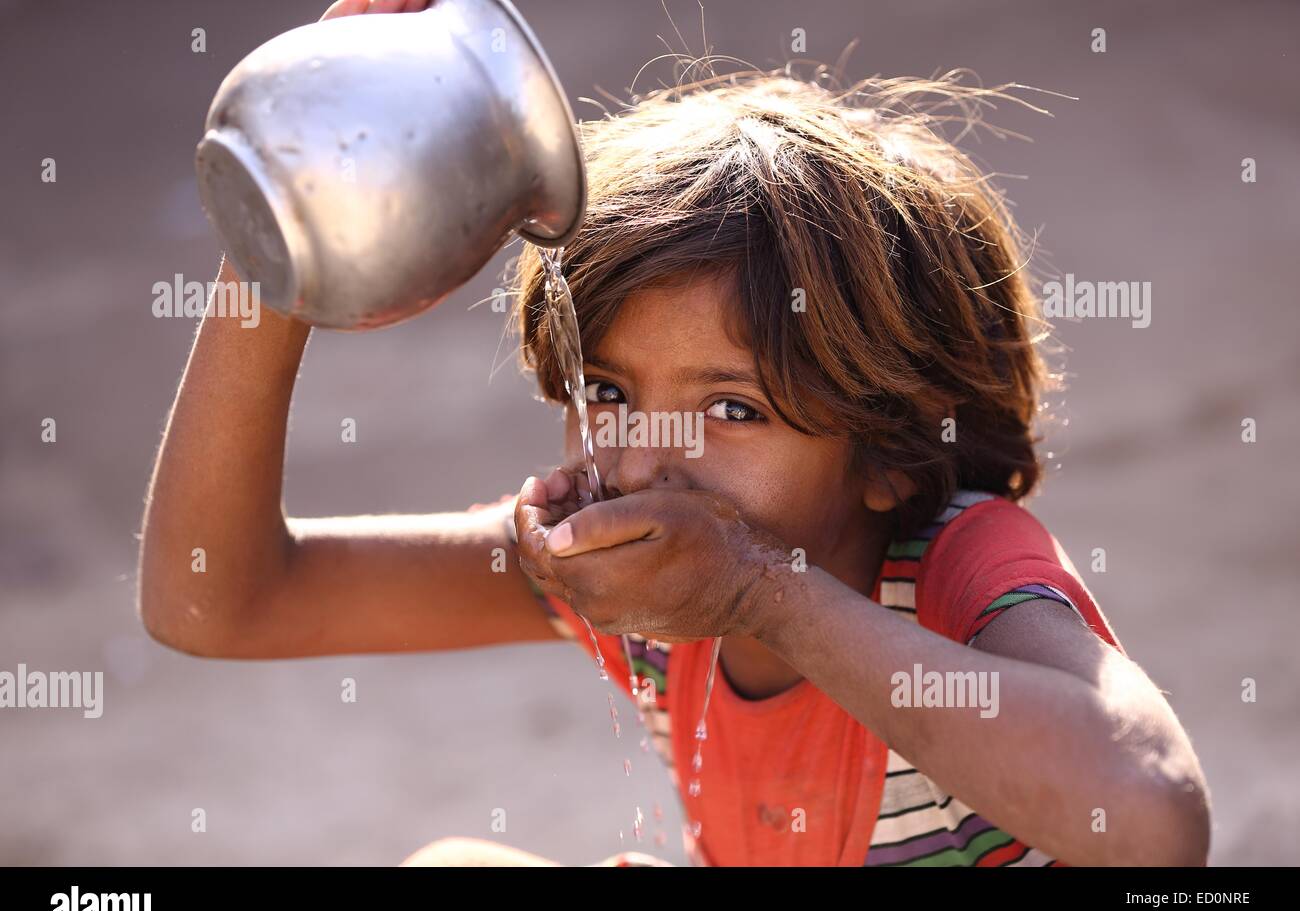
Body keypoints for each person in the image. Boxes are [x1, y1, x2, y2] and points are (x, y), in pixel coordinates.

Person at [139, 0, 1210, 866]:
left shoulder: (958, 564)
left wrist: (760, 590)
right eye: (607, 390)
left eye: (733, 408)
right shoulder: (617, 573)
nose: (644, 455)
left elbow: (1152, 823)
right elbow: (219, 599)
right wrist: (277, 242)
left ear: (888, 450)